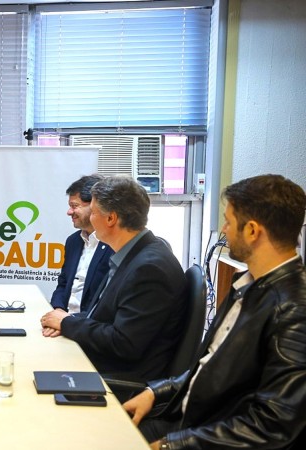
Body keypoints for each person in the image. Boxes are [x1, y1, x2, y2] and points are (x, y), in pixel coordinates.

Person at [123, 174, 306, 450]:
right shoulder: (247, 285)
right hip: (189, 424)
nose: (223, 231)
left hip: (203, 437)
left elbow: (273, 425)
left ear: (253, 231)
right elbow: (210, 367)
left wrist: (171, 445)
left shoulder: (293, 311)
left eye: (229, 222)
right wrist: (155, 392)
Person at [40, 176, 186, 384]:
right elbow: (102, 317)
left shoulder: (149, 268)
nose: (90, 219)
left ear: (111, 219)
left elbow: (123, 343)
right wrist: (66, 322)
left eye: (94, 212)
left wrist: (67, 323)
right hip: (104, 362)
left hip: (117, 377)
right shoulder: (133, 254)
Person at [48, 174, 113, 314]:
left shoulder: (114, 244)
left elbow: (106, 302)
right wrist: (58, 311)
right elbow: (63, 284)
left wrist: (68, 323)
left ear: (95, 206)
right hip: (64, 320)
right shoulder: (73, 241)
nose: (69, 212)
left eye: (74, 206)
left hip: (89, 325)